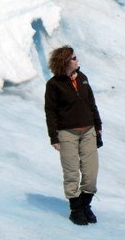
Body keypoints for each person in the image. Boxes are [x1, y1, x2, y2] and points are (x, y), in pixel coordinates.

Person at [44, 46, 103, 226]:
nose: (77, 60)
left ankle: (85, 205)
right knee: (71, 173)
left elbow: (92, 104)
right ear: (65, 62)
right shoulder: (54, 85)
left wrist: (98, 127)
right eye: (74, 58)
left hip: (88, 132)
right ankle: (76, 209)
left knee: (91, 173)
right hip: (66, 133)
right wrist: (54, 137)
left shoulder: (83, 79)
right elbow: (50, 112)